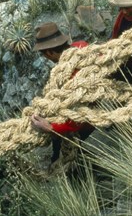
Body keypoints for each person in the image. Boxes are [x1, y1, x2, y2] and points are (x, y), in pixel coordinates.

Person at [29, 22, 94, 163]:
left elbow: (79, 116)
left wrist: (51, 127)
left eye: (45, 55)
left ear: (49, 52)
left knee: (69, 157)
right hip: (92, 112)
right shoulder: (81, 46)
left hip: (91, 122)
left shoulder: (72, 78)